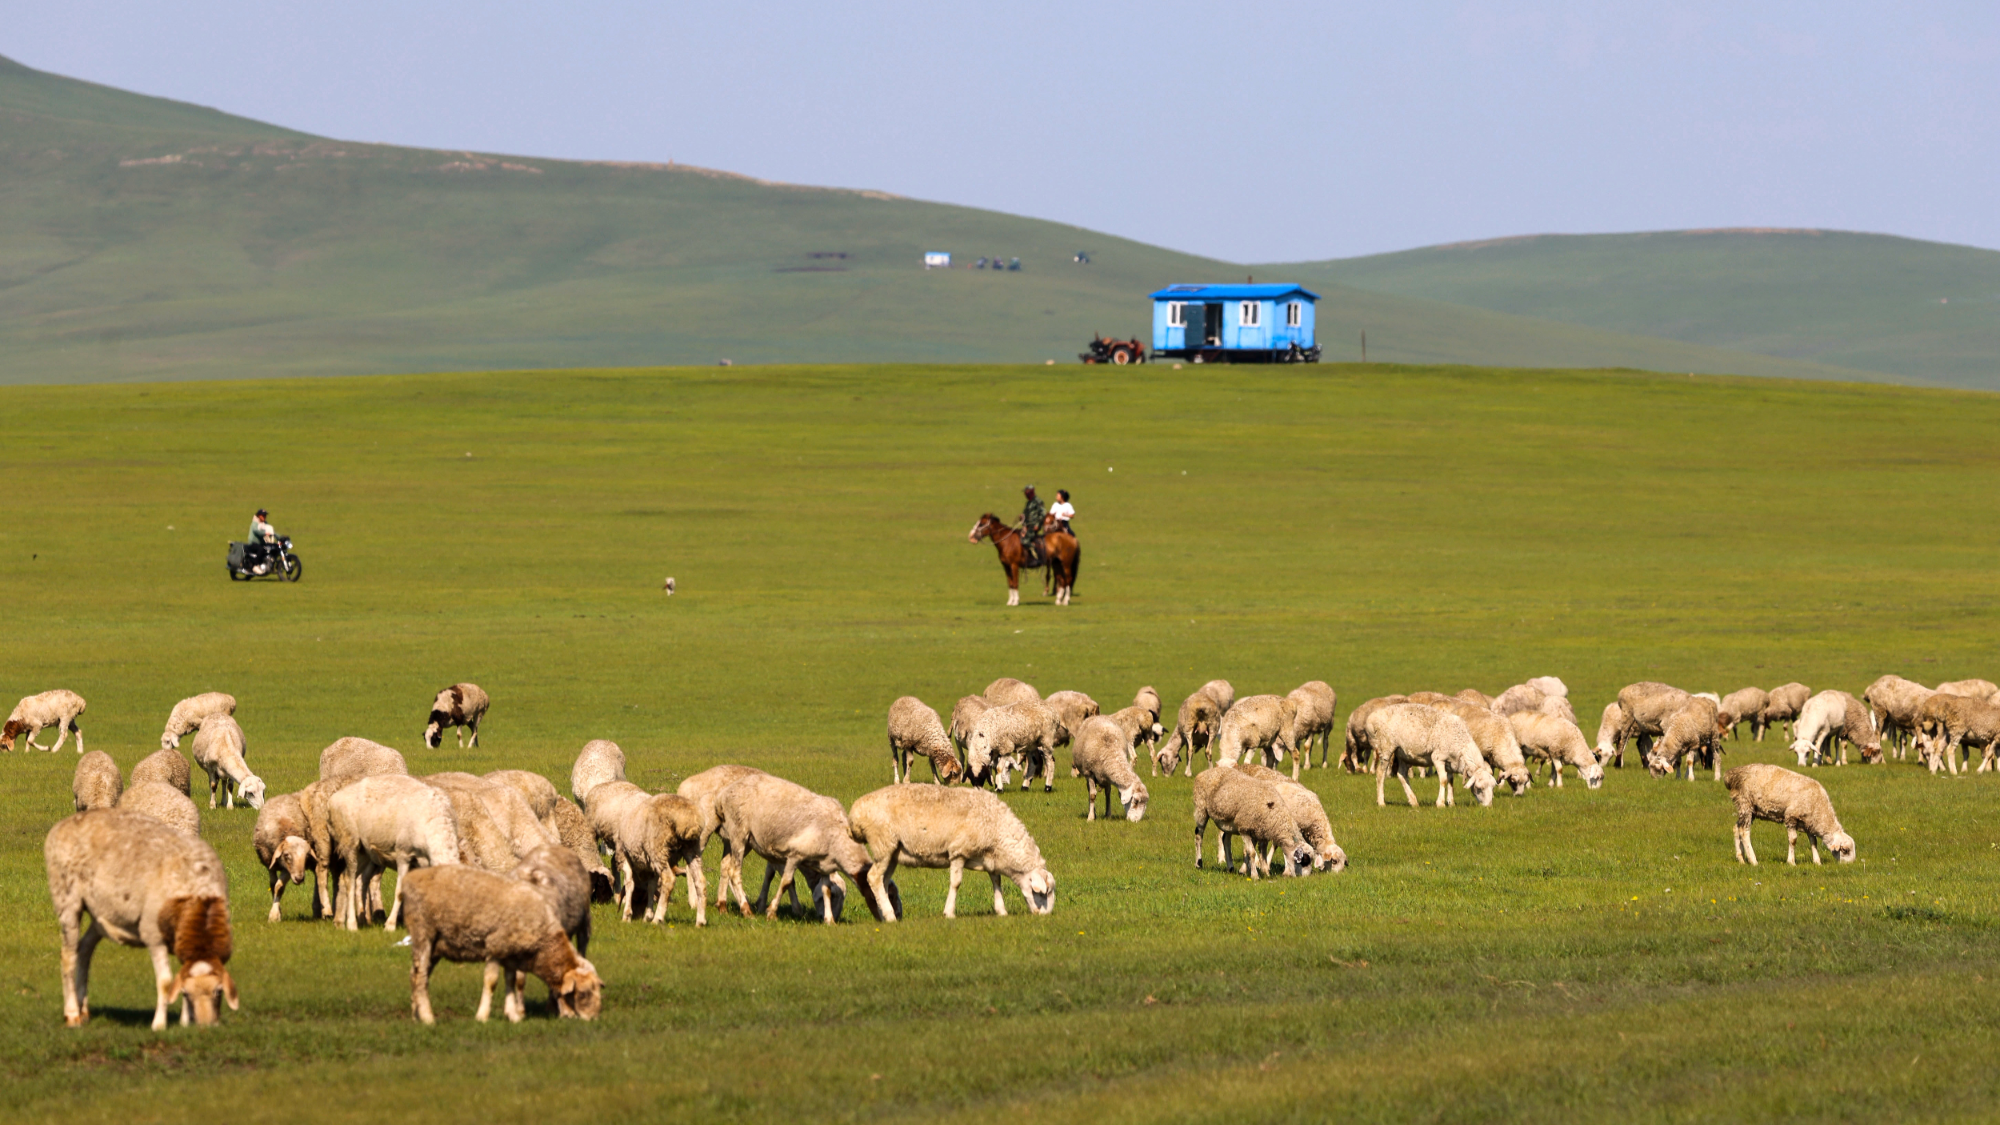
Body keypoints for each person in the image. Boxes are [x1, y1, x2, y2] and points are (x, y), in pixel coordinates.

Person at [1019, 486, 1046, 567]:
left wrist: (1038, 525)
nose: (1025, 494)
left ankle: (1037, 558)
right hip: (1027, 526)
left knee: (1025, 541)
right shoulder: (1028, 503)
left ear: (1031, 492)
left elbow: (1043, 513)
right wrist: (1022, 518)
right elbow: (1026, 514)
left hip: (1033, 527)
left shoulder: (1038, 501)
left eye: (1026, 492)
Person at [245, 508, 276, 573]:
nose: (265, 517)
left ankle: (271, 565)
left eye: (265, 515)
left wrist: (280, 537)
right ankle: (255, 565)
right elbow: (256, 531)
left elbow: (271, 530)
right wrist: (265, 533)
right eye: (263, 515)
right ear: (259, 516)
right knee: (262, 549)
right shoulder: (255, 523)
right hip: (253, 543)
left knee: (274, 547)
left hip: (260, 543)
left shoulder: (265, 523)